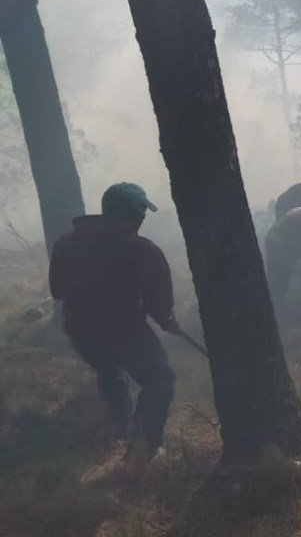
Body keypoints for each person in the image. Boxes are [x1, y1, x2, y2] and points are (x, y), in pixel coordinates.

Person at [48, 182, 177, 473]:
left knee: (109, 370)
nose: (144, 217)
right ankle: (144, 449)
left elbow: (57, 290)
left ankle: (119, 427)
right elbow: (161, 306)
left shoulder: (65, 244)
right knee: (159, 378)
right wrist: (167, 319)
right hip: (123, 332)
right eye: (142, 210)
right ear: (134, 213)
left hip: (81, 332)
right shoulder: (141, 249)